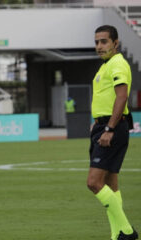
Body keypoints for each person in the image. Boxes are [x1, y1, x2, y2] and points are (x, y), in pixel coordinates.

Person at [87, 25, 138, 240]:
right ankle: (117, 233)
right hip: (103, 125)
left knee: (94, 182)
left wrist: (109, 128)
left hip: (111, 127)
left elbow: (122, 97)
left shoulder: (117, 63)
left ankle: (126, 231)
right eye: (97, 42)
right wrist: (97, 122)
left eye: (104, 41)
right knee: (110, 183)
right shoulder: (105, 66)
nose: (99, 46)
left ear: (116, 43)